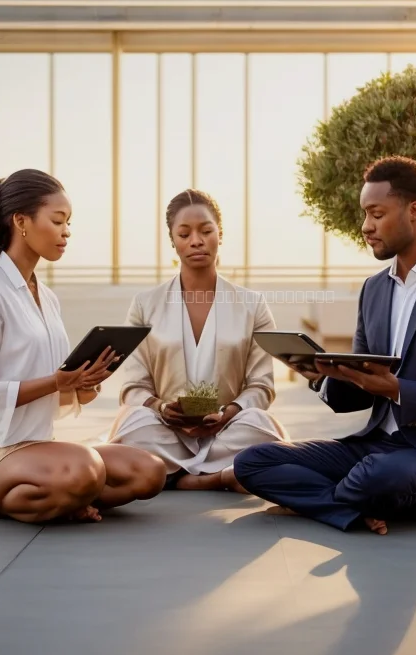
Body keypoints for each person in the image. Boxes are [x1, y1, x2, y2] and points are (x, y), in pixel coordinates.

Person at [234, 156, 416, 535]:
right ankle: (352, 507)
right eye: (365, 214)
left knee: (380, 475)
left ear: (414, 210)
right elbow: (361, 396)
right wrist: (323, 375)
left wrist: (396, 389)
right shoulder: (375, 289)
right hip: (376, 444)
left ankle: (341, 497)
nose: (366, 227)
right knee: (252, 461)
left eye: (376, 214)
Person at [0, 169, 166, 523]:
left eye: (68, 222)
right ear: (21, 221)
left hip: (40, 447)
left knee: (149, 470)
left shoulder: (47, 298)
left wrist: (83, 384)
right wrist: (56, 382)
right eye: (57, 220)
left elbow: (59, 391)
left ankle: (64, 497)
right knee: (84, 469)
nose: (66, 232)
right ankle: (51, 496)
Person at [107, 188, 289, 492]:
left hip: (227, 431)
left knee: (261, 426)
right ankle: (216, 477)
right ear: (173, 241)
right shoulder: (144, 304)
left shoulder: (252, 304)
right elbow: (133, 386)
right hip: (164, 431)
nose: (196, 241)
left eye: (206, 231)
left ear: (220, 234)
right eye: (184, 233)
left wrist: (229, 413)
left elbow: (262, 385)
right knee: (134, 424)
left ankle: (176, 477)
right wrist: (163, 409)